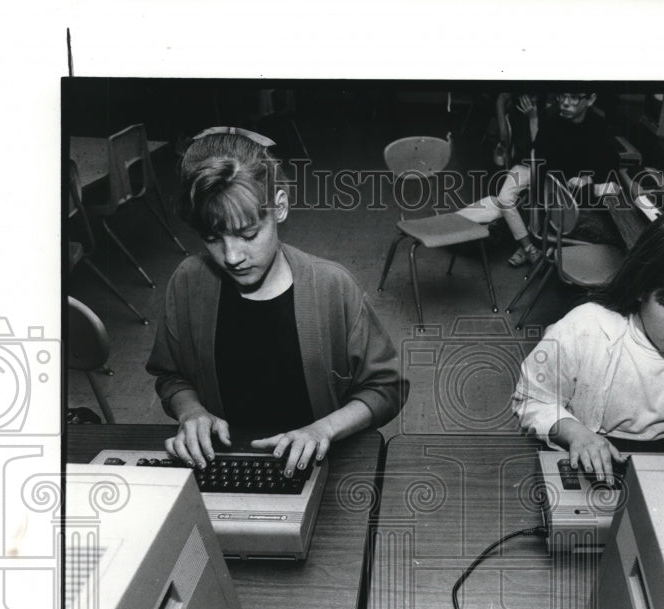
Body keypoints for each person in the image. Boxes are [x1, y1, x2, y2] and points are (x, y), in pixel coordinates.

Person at [147, 126, 407, 477]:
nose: (232, 256)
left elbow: (386, 388)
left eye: (249, 234)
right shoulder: (188, 282)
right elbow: (171, 375)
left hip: (320, 469)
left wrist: (323, 429)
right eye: (212, 238)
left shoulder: (332, 287)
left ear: (280, 207)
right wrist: (191, 411)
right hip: (226, 465)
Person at [512, 208, 664, 482]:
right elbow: (531, 398)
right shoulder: (584, 329)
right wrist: (575, 432)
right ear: (641, 288)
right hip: (596, 464)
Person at [459, 90, 620, 267]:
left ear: (591, 100)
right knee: (616, 235)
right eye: (562, 95)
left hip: (571, 197)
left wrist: (590, 177)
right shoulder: (551, 124)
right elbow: (542, 165)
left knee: (612, 199)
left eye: (573, 97)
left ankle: (539, 246)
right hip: (560, 204)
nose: (565, 103)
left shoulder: (598, 125)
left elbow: (609, 162)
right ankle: (533, 247)